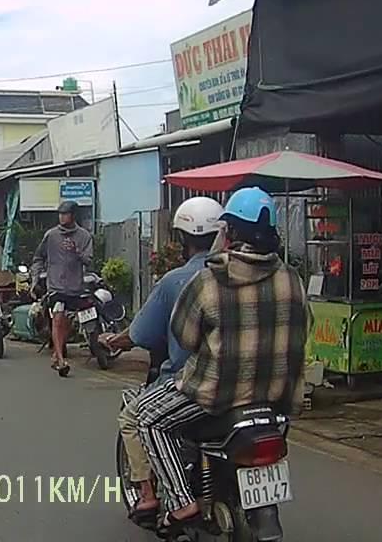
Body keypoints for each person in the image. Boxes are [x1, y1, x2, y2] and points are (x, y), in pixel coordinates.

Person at [133, 187, 307, 534]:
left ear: (231, 233)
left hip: (215, 395)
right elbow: (304, 328)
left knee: (146, 417)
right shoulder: (293, 279)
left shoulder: (209, 280)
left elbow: (184, 337)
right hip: (276, 397)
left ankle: (181, 503)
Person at [100, 196, 223, 524]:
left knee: (135, 415)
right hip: (246, 382)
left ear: (182, 240)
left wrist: (113, 341)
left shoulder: (176, 281)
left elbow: (140, 334)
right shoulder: (238, 276)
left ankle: (151, 495)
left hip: (190, 382)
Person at [29, 199, 94, 377]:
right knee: (57, 318)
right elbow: (38, 258)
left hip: (74, 286)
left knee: (67, 322)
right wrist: (35, 280)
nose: (62, 217)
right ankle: (60, 359)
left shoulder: (84, 236)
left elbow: (89, 260)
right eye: (60, 214)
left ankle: (56, 354)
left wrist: (76, 251)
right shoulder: (51, 235)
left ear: (74, 216)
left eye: (65, 214)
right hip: (55, 285)